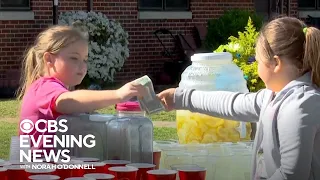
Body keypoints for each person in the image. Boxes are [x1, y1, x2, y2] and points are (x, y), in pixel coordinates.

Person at [158, 16, 320, 180]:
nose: (256, 67)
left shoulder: (300, 106)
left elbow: (291, 175)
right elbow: (231, 103)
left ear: (276, 63)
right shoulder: (273, 97)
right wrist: (180, 98)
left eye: (258, 61)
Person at [17, 25, 146, 151]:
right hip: (40, 170)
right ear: (49, 59)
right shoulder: (44, 87)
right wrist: (118, 95)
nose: (82, 66)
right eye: (74, 58)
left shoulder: (49, 88)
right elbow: (67, 101)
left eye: (85, 60)